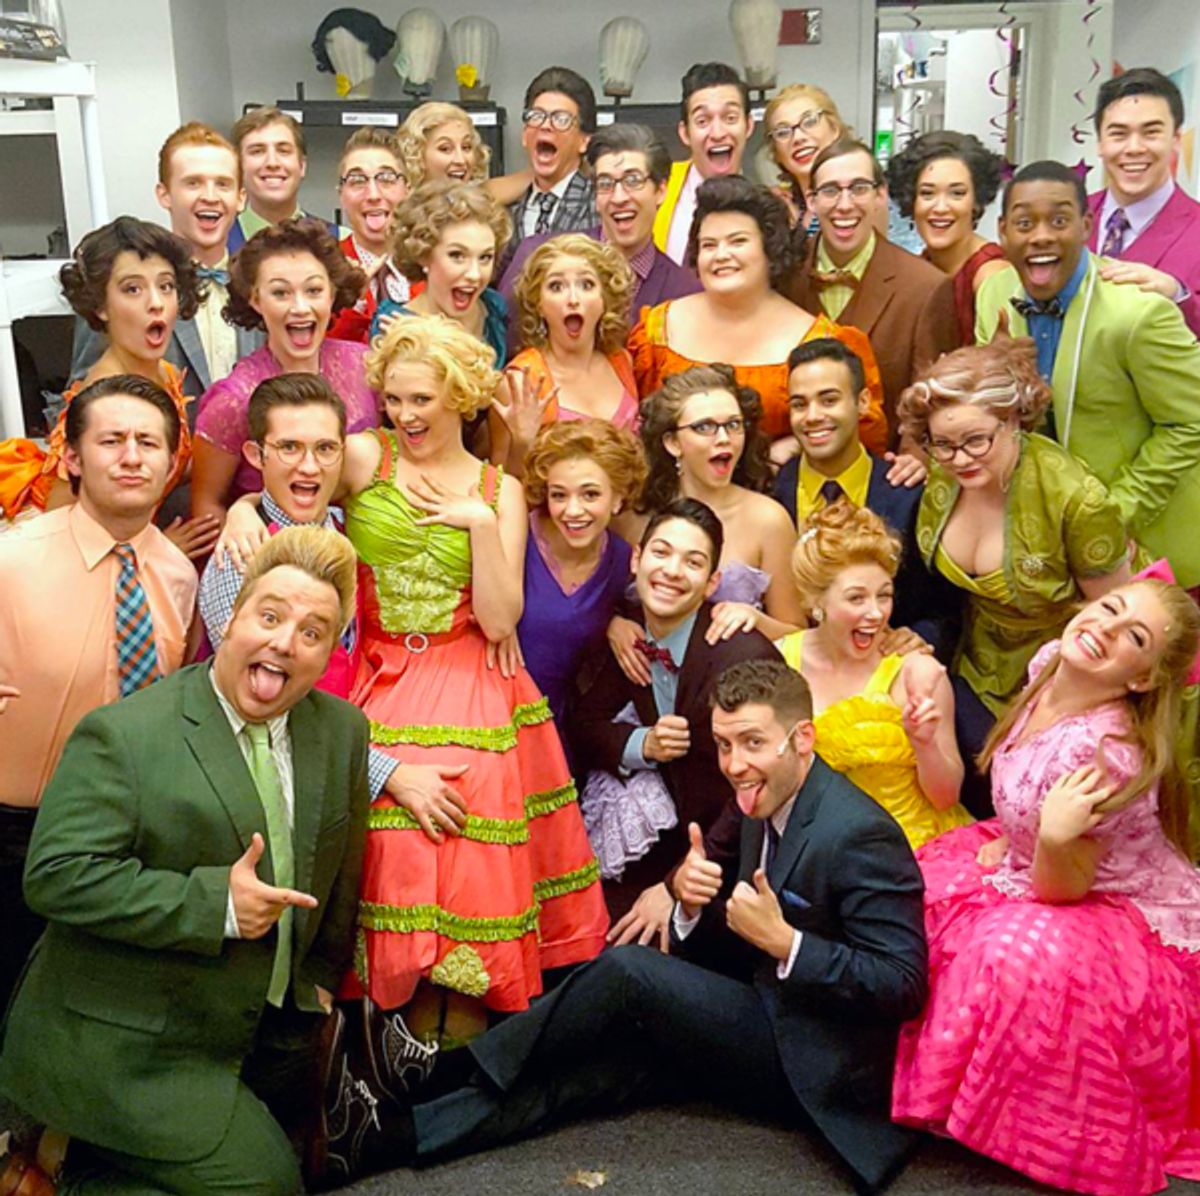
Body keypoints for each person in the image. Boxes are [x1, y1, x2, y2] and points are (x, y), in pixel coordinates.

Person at [311, 659, 929, 1196]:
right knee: (594, 1076)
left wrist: (787, 944)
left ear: (802, 739)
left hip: (813, 1056)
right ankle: (383, 1139)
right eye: (723, 745)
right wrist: (691, 904)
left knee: (629, 975)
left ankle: (437, 1070)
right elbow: (736, 921)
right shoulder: (760, 796)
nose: (734, 764)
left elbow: (902, 984)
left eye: (751, 743)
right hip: (760, 1011)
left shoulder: (860, 832)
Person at [0, 526, 370, 1196]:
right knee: (265, 1185)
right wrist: (217, 906)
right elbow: (55, 875)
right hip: (131, 1038)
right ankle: (70, 1166)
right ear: (229, 619)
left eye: (313, 632)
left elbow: (341, 868)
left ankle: (64, 1159)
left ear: (327, 654)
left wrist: (315, 979)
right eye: (270, 616)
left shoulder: (341, 730)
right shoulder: (126, 734)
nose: (286, 641)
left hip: (265, 1028)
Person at [321, 314, 608, 1023]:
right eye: (394, 398)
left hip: (469, 668)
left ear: (459, 398)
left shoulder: (499, 491)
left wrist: (478, 522)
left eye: (421, 399)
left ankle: (455, 1028)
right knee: (388, 826)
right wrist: (242, 515)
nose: (405, 413)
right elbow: (289, 487)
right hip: (378, 671)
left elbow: (502, 620)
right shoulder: (363, 458)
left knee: (466, 831)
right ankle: (383, 1018)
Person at [892, 578, 1200, 1196]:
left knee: (1008, 957)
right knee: (908, 890)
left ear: (1141, 679)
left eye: (1133, 636)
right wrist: (1024, 831)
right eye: (1109, 608)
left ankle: (1010, 1119)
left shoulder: (1106, 754)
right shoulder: (1052, 662)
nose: (1106, 628)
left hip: (1105, 901)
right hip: (1031, 854)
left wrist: (1054, 841)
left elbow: (1065, 889)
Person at [0, 375, 196, 1010]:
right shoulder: (12, 559)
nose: (132, 456)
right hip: (15, 835)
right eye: (112, 440)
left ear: (172, 461)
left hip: (124, 836)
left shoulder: (177, 573)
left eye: (149, 442)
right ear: (75, 459)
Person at [898, 341, 1131, 773]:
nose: (960, 459)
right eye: (943, 444)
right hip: (972, 668)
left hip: (1062, 685)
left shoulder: (1076, 501)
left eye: (975, 441)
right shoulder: (944, 475)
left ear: (1013, 420)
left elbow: (1117, 620)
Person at [976, 159, 1200, 587]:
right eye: (1025, 223)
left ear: (1086, 225)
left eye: (1059, 220)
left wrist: (1115, 514)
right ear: (1003, 231)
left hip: (1148, 549)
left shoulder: (1137, 312)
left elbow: (1189, 422)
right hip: (1049, 545)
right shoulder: (995, 294)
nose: (1041, 235)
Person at [574, 498, 782, 934]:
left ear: (711, 584)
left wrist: (673, 885)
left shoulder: (740, 656)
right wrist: (642, 745)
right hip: (673, 842)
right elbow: (584, 727)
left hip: (741, 861)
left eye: (692, 562)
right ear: (637, 559)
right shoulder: (629, 635)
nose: (671, 570)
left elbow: (762, 789)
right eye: (662, 552)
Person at [630, 175, 887, 454]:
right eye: (709, 245)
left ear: (769, 249)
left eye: (737, 241)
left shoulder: (821, 341)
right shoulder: (656, 330)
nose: (721, 255)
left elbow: (861, 439)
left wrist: (798, 445)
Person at [0, 217, 211, 550]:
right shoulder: (99, 401)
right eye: (132, 289)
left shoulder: (167, 374)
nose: (155, 302)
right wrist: (153, 549)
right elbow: (60, 532)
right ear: (100, 306)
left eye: (166, 286)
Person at [778, 502, 970, 850]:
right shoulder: (779, 663)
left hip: (914, 849)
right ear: (816, 602)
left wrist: (924, 743)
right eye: (856, 598)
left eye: (884, 596)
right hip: (816, 850)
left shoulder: (916, 671)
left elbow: (946, 797)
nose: (876, 613)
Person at [774, 338, 960, 658]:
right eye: (799, 404)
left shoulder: (907, 495)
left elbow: (948, 608)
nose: (812, 416)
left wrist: (918, 637)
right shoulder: (773, 491)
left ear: (862, 402)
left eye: (829, 400)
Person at [192, 217, 376, 524]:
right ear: (255, 299)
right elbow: (206, 502)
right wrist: (243, 524)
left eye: (314, 290)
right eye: (281, 293)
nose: (300, 307)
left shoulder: (366, 367)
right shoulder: (234, 397)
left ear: (332, 294)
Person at [71, 122, 264, 402]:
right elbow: (81, 397)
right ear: (164, 194)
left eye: (222, 184)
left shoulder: (259, 282)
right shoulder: (122, 283)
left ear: (240, 198)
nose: (210, 196)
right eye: (193, 183)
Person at [787, 138, 960, 443]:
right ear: (812, 201)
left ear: (880, 195)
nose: (844, 204)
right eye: (830, 190)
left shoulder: (924, 288)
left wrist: (914, 456)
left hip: (887, 472)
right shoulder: (785, 275)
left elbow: (932, 399)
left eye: (858, 188)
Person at [198, 373, 356, 697]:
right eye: (289, 448)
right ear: (257, 455)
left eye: (325, 448)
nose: (310, 467)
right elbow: (248, 691)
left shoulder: (347, 527)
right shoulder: (241, 554)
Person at [627, 364, 804, 641]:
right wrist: (615, 625)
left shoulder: (768, 520)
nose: (724, 439)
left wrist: (756, 621)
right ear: (672, 442)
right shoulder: (637, 514)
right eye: (704, 427)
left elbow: (797, 634)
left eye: (733, 425)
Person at [516, 419, 646, 740]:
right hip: (490, 707)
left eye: (590, 494)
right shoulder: (517, 533)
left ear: (618, 498)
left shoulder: (621, 562)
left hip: (555, 726)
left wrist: (612, 622)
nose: (573, 510)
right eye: (559, 495)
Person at [498, 123, 701, 313]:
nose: (618, 197)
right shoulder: (538, 257)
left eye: (633, 180)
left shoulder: (685, 293)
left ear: (660, 190)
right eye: (605, 183)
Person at [490, 235, 636, 474]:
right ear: (539, 304)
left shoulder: (621, 362)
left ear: (604, 300)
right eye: (556, 287)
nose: (573, 299)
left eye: (587, 285)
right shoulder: (521, 381)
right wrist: (523, 442)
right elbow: (500, 488)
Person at [1089, 67, 1200, 338]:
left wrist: (1177, 295)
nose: (1134, 148)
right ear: (1100, 143)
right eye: (1119, 134)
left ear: (1175, 140)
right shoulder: (1068, 217)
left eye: (1150, 133)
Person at [373, 181, 512, 369]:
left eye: (485, 257)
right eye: (457, 256)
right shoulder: (393, 325)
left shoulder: (493, 308)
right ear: (423, 255)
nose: (474, 274)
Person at [885, 130, 1008, 344]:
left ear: (976, 202)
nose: (940, 207)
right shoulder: (919, 267)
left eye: (957, 193)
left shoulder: (991, 276)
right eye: (927, 193)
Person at [655, 62, 755, 265]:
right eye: (703, 121)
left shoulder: (764, 204)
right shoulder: (656, 189)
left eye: (730, 118)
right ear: (685, 133)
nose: (717, 133)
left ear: (749, 126)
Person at [503, 67, 598, 269]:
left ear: (584, 141)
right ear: (524, 135)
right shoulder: (505, 212)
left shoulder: (599, 206)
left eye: (561, 119)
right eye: (537, 116)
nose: (546, 126)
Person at [327, 126, 410, 343]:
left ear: (407, 189)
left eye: (386, 178)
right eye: (357, 181)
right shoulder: (325, 267)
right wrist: (355, 302)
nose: (373, 194)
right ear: (341, 196)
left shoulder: (432, 264)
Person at [227, 106, 334, 253]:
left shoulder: (338, 241)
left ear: (302, 165)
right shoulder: (216, 242)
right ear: (238, 166)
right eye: (257, 151)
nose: (272, 163)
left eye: (283, 151)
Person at [762, 82, 846, 232]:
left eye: (809, 122)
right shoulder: (785, 212)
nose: (798, 138)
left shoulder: (863, 197)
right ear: (776, 153)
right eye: (782, 132)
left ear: (834, 128)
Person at [397, 100, 490, 189]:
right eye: (445, 149)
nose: (460, 160)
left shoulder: (485, 202)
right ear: (416, 155)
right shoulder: (398, 204)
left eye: (466, 147)